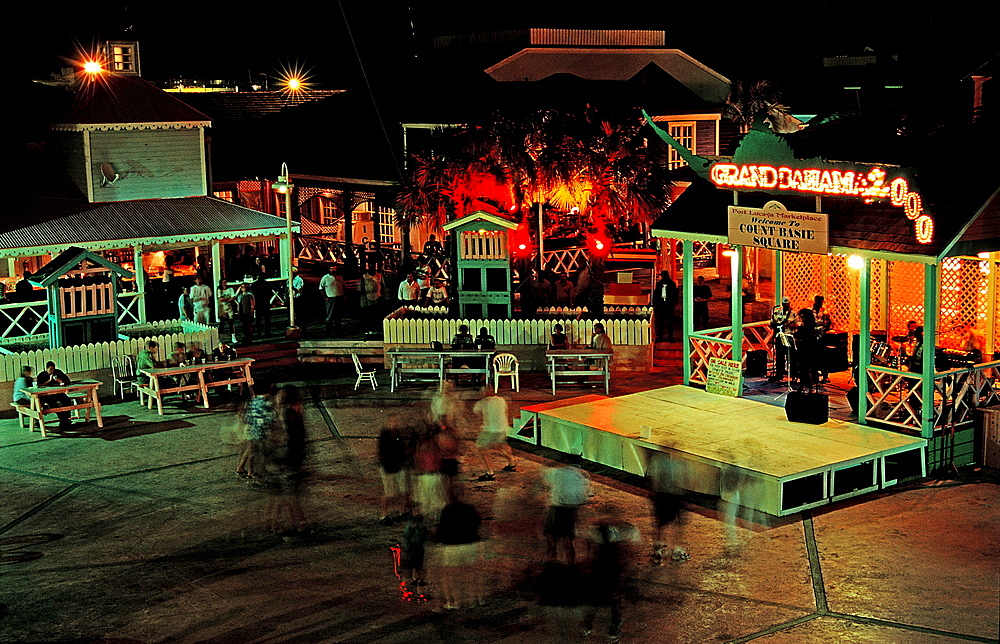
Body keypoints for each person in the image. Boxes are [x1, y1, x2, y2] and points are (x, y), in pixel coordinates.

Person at [581, 506, 641, 642]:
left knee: (610, 599)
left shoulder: (623, 531)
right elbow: (589, 548)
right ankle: (596, 623)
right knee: (598, 598)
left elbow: (631, 551)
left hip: (612, 569)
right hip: (602, 568)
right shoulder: (599, 531)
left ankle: (612, 624)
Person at [435, 488, 483, 610]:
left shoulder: (447, 510)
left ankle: (455, 602)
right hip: (470, 545)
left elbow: (442, 529)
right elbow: (477, 523)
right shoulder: (469, 509)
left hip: (453, 547)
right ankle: (474, 600)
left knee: (451, 577)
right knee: (471, 574)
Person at [543, 453, 591, 565]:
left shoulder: (559, 473)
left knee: (551, 537)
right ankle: (571, 563)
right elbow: (584, 497)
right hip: (572, 510)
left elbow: (545, 478)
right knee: (568, 539)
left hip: (557, 509)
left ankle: (552, 561)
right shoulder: (583, 476)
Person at [646, 452, 689, 565]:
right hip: (671, 496)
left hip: (660, 496)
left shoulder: (656, 461)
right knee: (677, 522)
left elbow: (652, 480)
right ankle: (676, 550)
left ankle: (658, 550)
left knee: (660, 524)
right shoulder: (674, 464)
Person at [473, 386, 516, 481]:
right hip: (503, 428)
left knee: (481, 449)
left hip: (490, 430)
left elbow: (475, 411)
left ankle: (489, 473)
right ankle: (511, 462)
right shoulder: (501, 400)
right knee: (499, 446)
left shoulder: (483, 402)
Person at [235, 381, 275, 480]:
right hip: (259, 430)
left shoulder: (253, 400)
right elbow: (271, 417)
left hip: (250, 428)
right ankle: (251, 471)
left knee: (249, 449)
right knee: (254, 451)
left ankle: (241, 467)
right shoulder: (267, 402)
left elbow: (247, 415)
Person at [378, 422, 411, 525]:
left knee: (403, 490)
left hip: (398, 467)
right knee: (389, 493)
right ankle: (384, 515)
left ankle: (402, 510)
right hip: (389, 468)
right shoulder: (386, 440)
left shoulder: (397, 437)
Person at [36, 361, 74, 428]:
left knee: (67, 400)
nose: (52, 370)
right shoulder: (41, 375)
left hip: (57, 393)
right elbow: (39, 385)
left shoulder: (58, 372)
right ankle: (63, 419)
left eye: (53, 369)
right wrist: (49, 380)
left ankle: (66, 418)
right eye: (51, 369)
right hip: (46, 395)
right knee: (53, 403)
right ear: (46, 368)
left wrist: (61, 381)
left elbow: (68, 380)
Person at [769, 296, 796, 382]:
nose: (786, 305)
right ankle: (779, 374)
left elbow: (797, 325)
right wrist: (776, 327)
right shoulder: (777, 313)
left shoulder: (793, 313)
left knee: (791, 357)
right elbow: (772, 323)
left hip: (789, 336)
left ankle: (793, 374)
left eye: (787, 304)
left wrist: (790, 326)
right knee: (779, 356)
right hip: (779, 336)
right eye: (784, 304)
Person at [792, 308, 818, 391]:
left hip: (806, 350)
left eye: (802, 317)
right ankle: (806, 386)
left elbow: (800, 336)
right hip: (808, 349)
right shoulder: (811, 327)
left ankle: (807, 386)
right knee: (805, 369)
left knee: (804, 368)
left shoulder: (807, 327)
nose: (801, 319)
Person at [811, 295, 833, 383]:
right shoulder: (810, 311)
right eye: (818, 301)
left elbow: (829, 323)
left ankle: (825, 376)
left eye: (821, 302)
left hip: (823, 337)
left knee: (824, 357)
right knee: (813, 357)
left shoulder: (824, 312)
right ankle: (814, 375)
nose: (819, 303)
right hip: (812, 337)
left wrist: (825, 329)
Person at [652, 270, 678, 342]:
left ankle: (661, 337)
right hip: (669, 305)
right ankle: (670, 337)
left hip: (661, 305)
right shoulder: (672, 284)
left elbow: (656, 295)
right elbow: (675, 294)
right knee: (670, 322)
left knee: (661, 322)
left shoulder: (659, 284)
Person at [319, 265, 345, 335]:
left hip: (339, 297)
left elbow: (343, 287)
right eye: (332, 269)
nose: (333, 270)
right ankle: (329, 331)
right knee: (330, 315)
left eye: (335, 269)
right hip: (331, 298)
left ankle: (337, 331)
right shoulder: (325, 277)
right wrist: (325, 297)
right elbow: (321, 288)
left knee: (338, 316)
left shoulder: (340, 277)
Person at [251, 274, 272, 338]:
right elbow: (270, 293)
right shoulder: (267, 284)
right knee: (267, 319)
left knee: (258, 319)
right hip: (265, 302)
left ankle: (259, 333)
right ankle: (267, 332)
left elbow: (252, 293)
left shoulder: (254, 284)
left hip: (258, 303)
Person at [236, 280, 256, 345]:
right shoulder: (240, 295)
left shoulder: (249, 295)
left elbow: (252, 304)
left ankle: (250, 339)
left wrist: (251, 312)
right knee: (244, 326)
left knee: (249, 326)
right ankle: (246, 338)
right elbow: (238, 304)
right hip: (242, 312)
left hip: (247, 312)